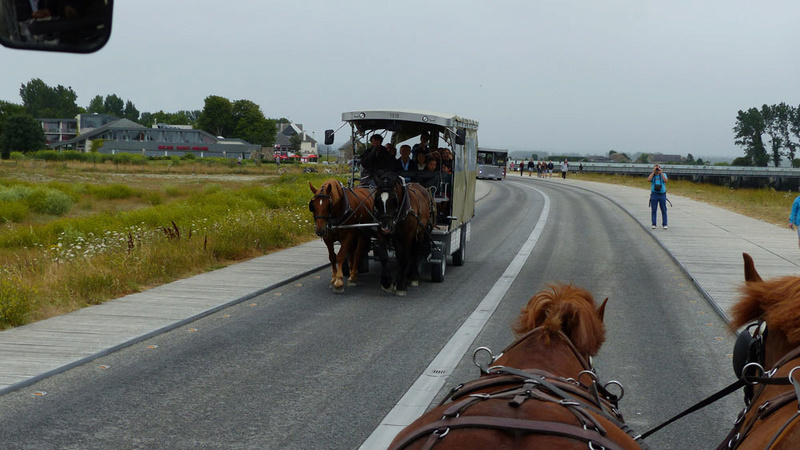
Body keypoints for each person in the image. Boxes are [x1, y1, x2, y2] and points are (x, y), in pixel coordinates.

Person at [647, 164, 668, 229]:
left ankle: (665, 224)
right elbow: (649, 179)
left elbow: (665, 181)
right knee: (654, 209)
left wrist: (661, 173)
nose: (657, 170)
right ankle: (654, 224)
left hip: (662, 194)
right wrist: (653, 172)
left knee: (663, 209)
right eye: (656, 168)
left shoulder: (663, 174)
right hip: (654, 194)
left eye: (658, 168)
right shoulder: (653, 175)